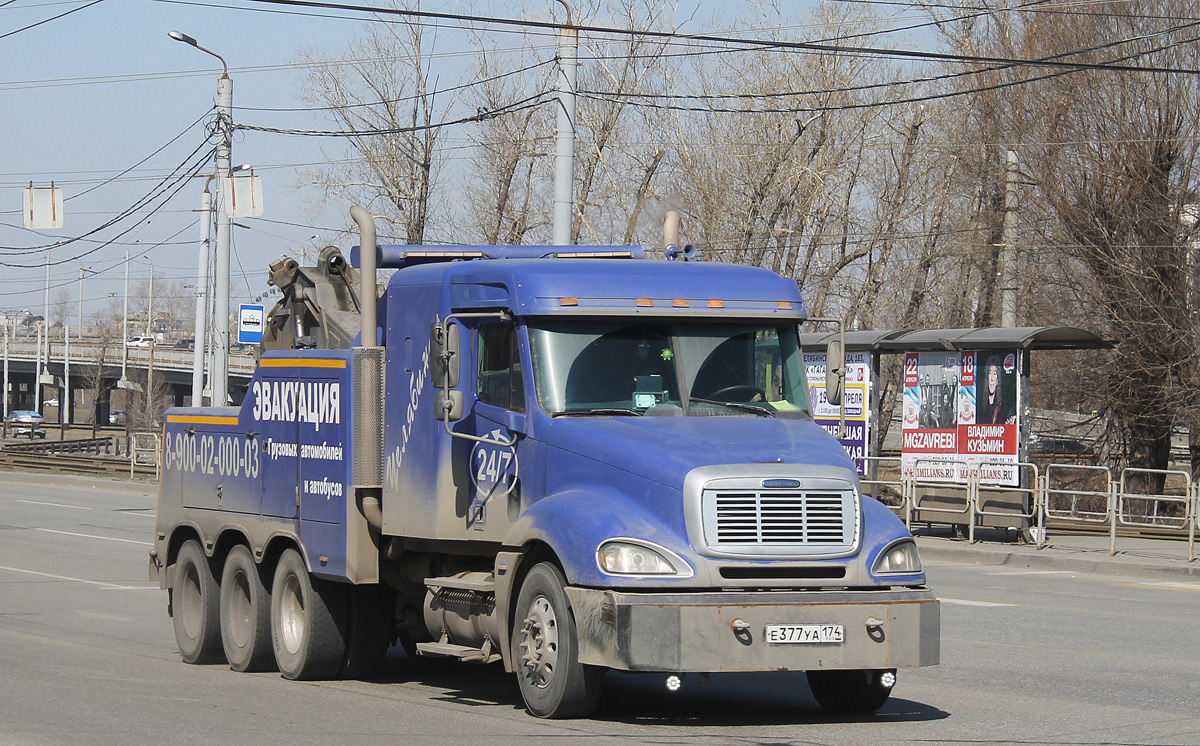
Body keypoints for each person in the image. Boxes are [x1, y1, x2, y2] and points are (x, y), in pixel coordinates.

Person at [978, 356, 1009, 424]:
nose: (992, 379)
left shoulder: (1003, 407)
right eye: (990, 373)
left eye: (994, 374)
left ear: (997, 380)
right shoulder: (979, 404)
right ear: (987, 378)